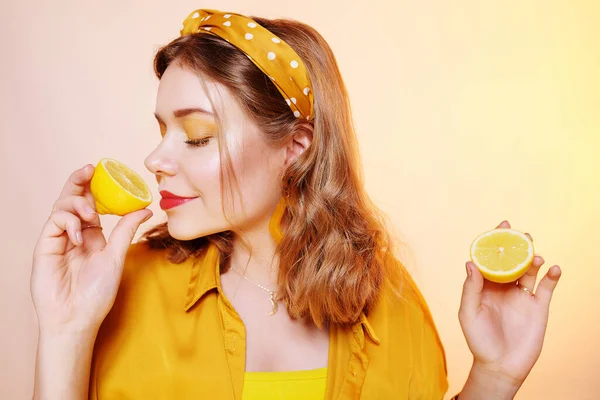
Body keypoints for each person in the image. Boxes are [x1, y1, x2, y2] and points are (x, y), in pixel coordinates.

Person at [30, 8, 562, 400]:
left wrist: (494, 375)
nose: (154, 159)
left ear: (295, 146)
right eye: (162, 130)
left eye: (196, 135)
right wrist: (66, 330)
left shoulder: (389, 301)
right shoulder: (123, 288)